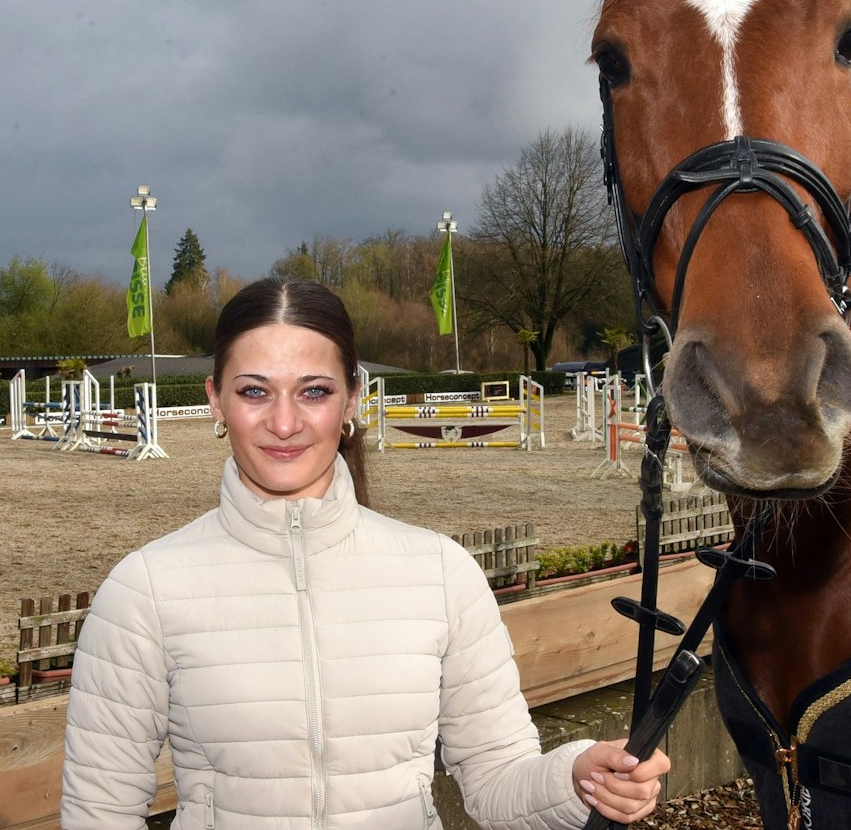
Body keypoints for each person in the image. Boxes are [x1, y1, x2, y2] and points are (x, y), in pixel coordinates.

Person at [60, 277, 671, 828]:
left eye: (313, 391)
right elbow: (99, 811)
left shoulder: (440, 574)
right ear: (216, 401)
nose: (283, 422)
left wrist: (578, 777)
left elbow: (496, 777)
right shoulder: (144, 590)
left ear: (351, 401)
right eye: (254, 391)